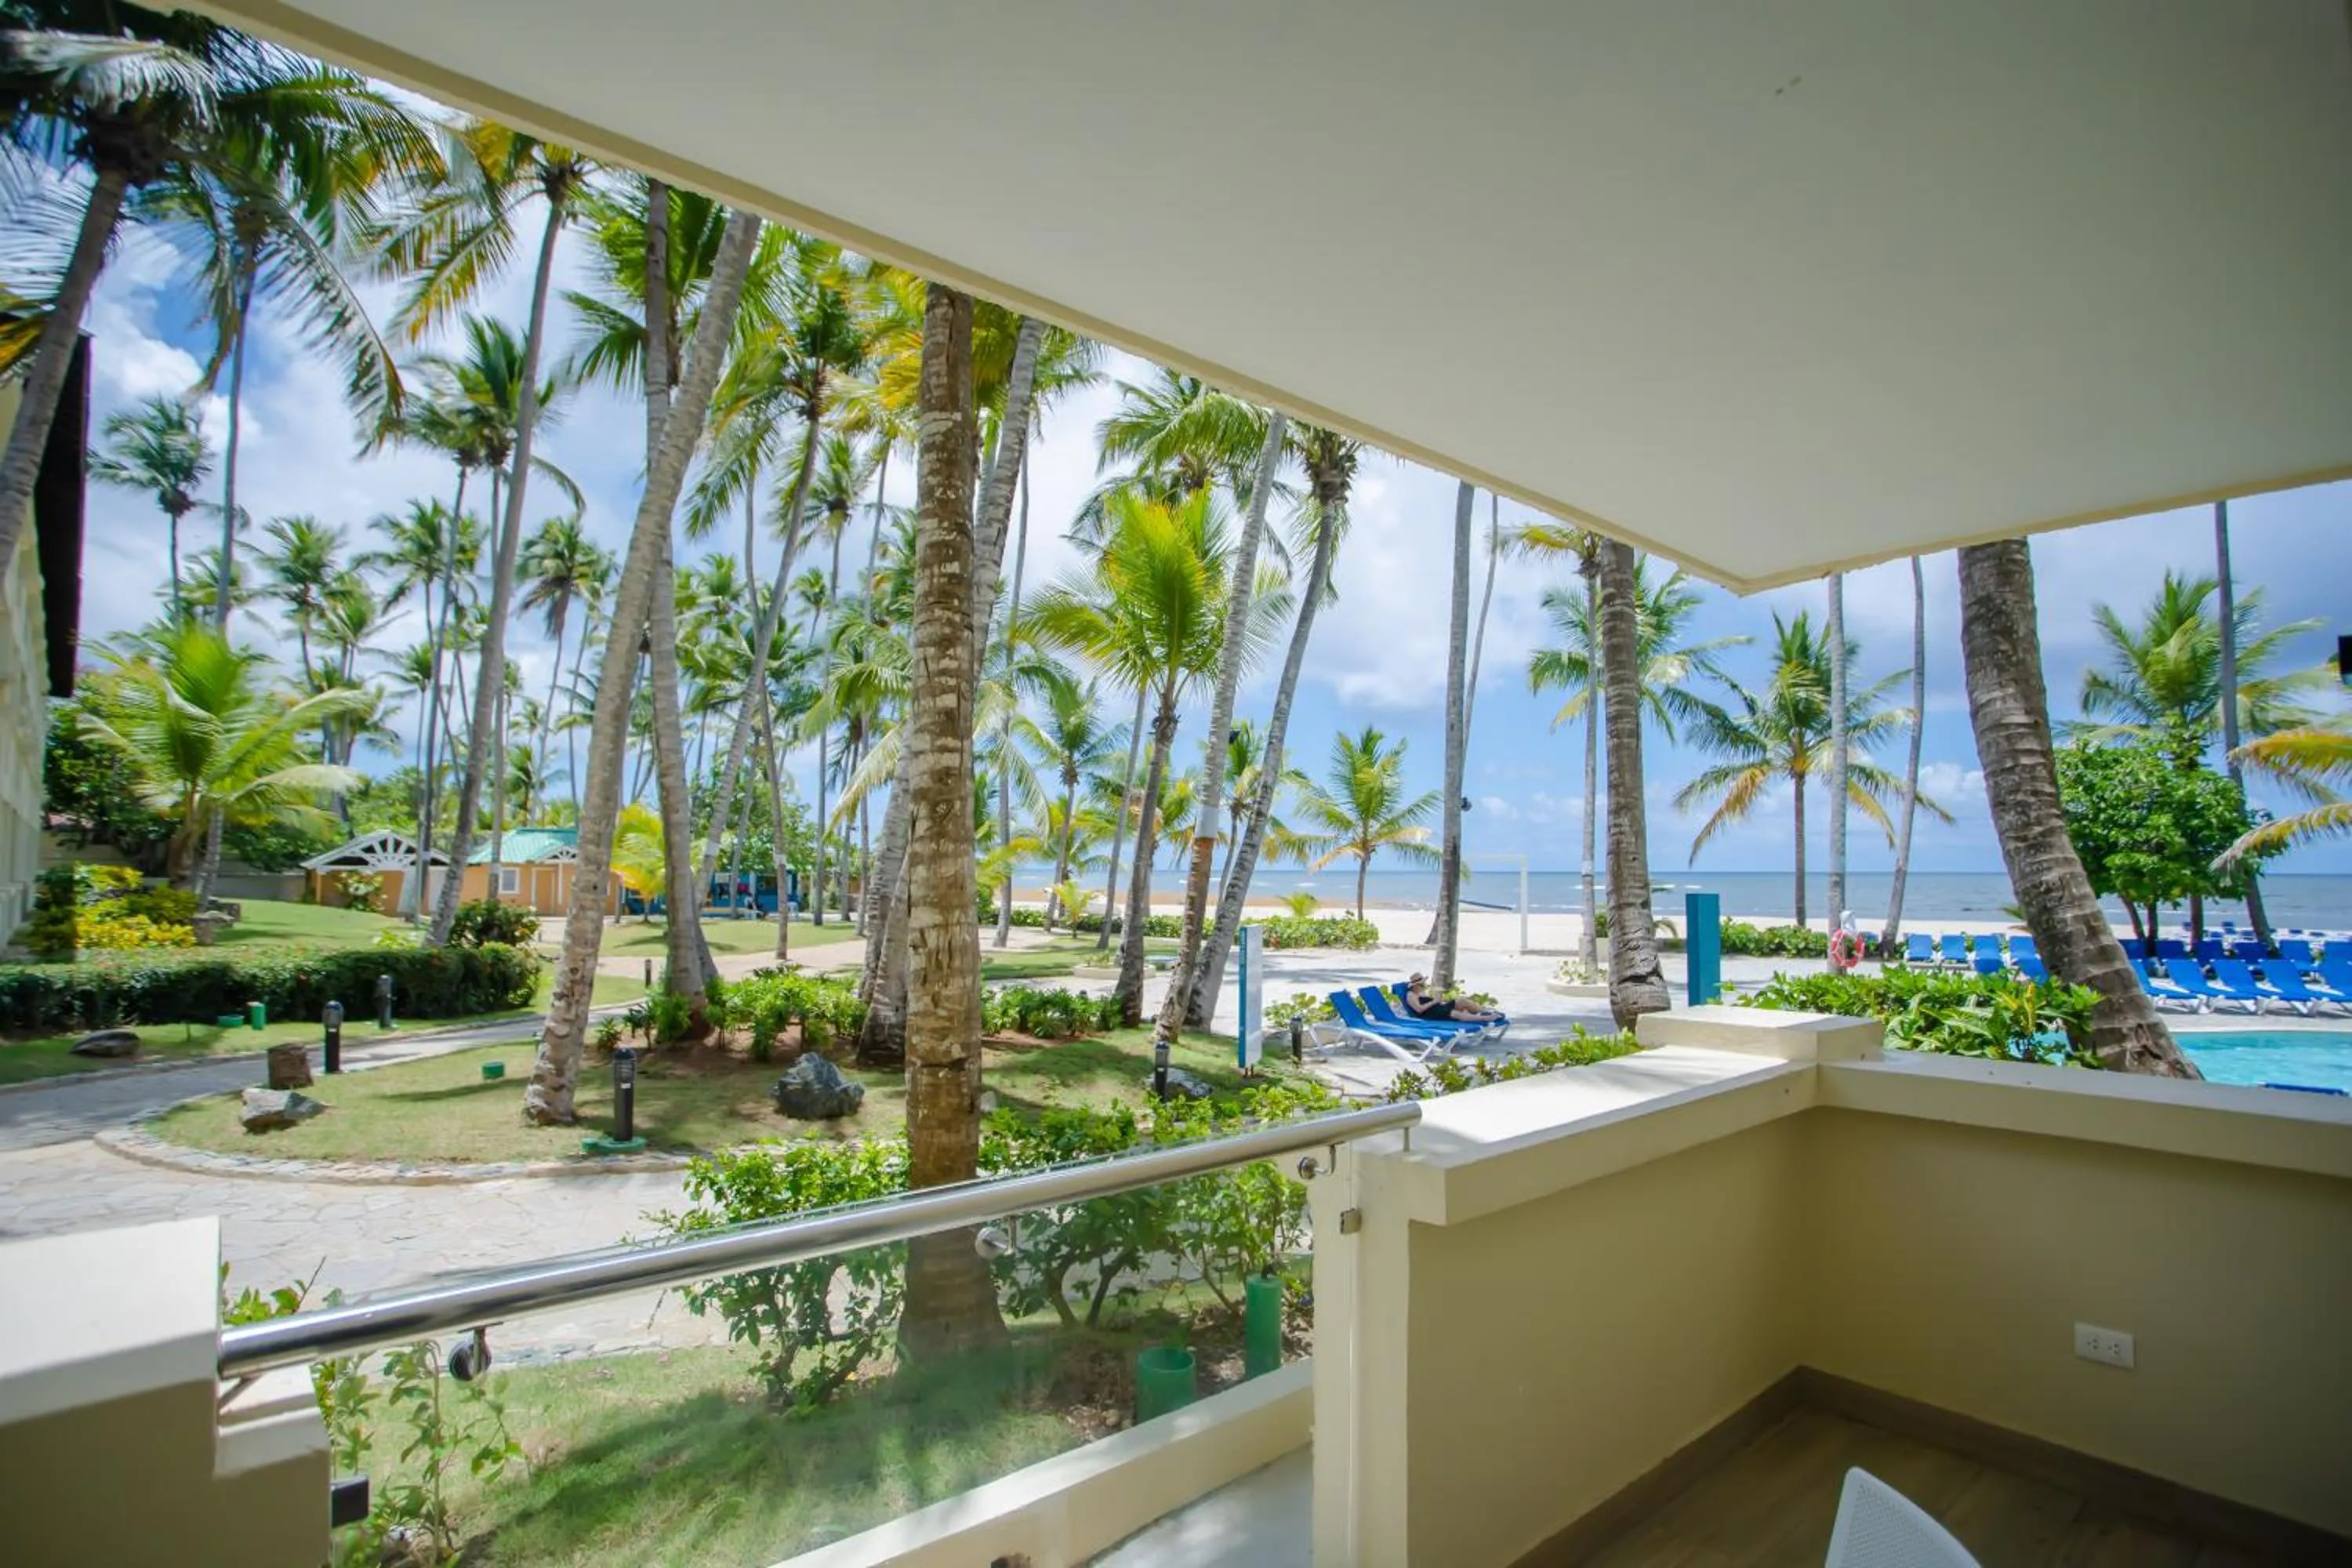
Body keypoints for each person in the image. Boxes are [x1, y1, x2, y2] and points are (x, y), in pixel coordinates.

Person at [1402, 973, 1503, 1023]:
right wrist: (1434, 1002)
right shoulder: (1410, 995)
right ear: (1415, 986)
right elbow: (1419, 1010)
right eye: (1422, 984)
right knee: (1455, 1014)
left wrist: (1438, 1001)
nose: (1424, 986)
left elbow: (1430, 1002)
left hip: (1437, 1008)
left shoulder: (1420, 992)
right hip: (1430, 1014)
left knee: (1461, 1000)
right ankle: (1486, 1018)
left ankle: (1485, 1012)